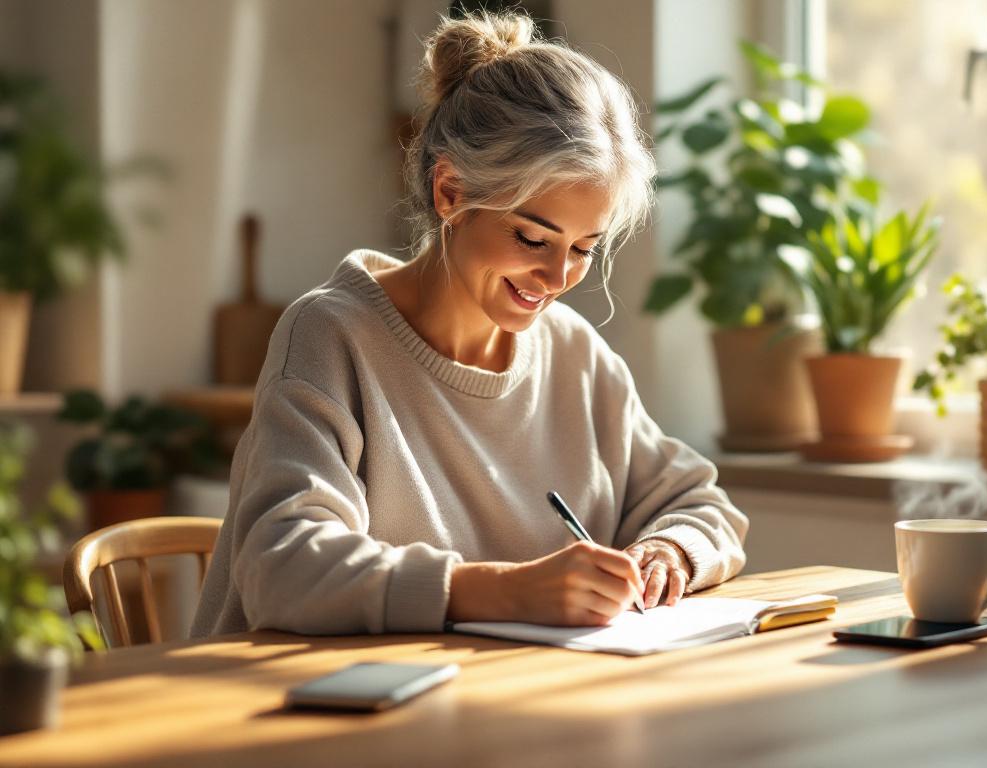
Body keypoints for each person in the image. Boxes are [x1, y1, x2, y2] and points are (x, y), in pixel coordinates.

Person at [190, 10, 747, 637]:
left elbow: (701, 505)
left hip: (478, 706)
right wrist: (503, 590)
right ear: (450, 192)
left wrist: (668, 551)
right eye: (533, 238)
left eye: (585, 248)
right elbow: (283, 569)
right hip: (300, 711)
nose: (559, 276)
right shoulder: (330, 336)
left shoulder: (574, 355)